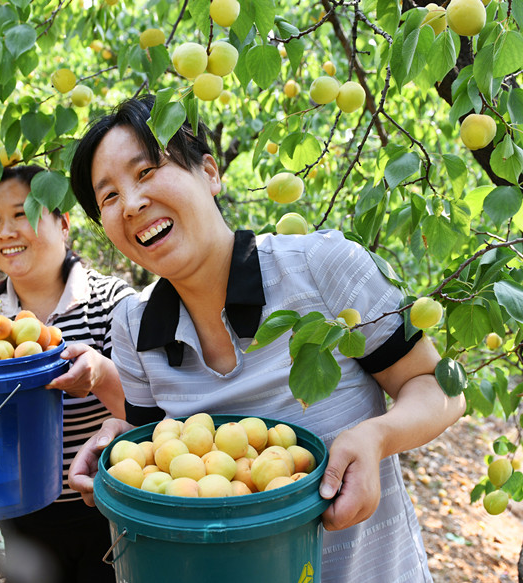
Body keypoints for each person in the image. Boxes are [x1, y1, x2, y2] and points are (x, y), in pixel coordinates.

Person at [66, 95, 466, 583]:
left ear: (210, 173)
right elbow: (154, 449)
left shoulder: (323, 269)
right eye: (108, 197)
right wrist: (115, 437)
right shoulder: (133, 325)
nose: (130, 204)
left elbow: (440, 387)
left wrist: (376, 436)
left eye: (147, 170)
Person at [0, 164, 133, 583]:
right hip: (21, 514)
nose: (5, 231)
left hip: (107, 510)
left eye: (22, 213)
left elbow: (153, 414)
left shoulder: (113, 306)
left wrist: (101, 375)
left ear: (63, 225)